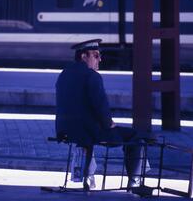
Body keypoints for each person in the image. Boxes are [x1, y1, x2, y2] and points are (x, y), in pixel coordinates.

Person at [55, 38, 147, 191]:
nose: (100, 59)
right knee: (135, 136)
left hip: (65, 130)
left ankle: (86, 176)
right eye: (96, 55)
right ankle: (134, 181)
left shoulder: (64, 74)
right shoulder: (92, 76)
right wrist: (109, 123)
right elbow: (100, 105)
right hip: (88, 130)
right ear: (84, 56)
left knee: (85, 135)